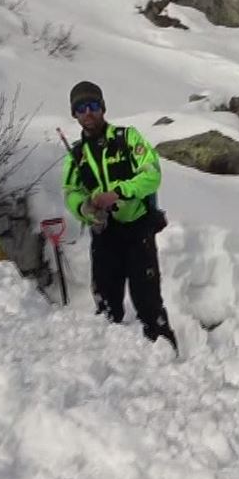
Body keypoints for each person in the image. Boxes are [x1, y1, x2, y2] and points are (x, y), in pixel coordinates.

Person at [61, 81, 177, 350]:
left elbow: (152, 175)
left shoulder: (128, 138)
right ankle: (114, 366)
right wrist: (86, 208)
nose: (87, 113)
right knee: (106, 310)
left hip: (138, 232)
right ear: (74, 115)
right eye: (80, 108)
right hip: (104, 236)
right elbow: (70, 192)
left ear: (103, 107)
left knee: (149, 305)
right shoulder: (75, 155)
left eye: (92, 106)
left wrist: (119, 192)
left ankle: (168, 361)